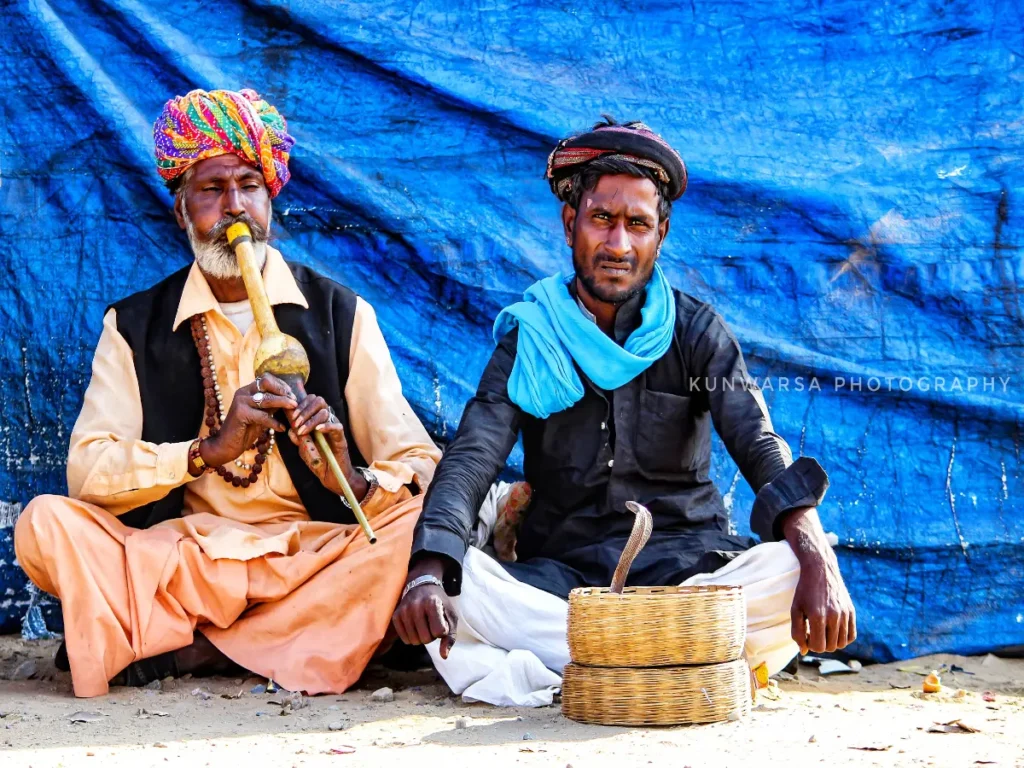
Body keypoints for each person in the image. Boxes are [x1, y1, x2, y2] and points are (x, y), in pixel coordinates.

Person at [392, 118, 856, 706]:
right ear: (570, 224)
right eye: (602, 220)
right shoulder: (531, 336)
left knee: (788, 568)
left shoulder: (697, 333)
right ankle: (673, 659)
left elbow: (759, 443)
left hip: (689, 574)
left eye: (637, 224)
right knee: (460, 585)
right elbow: (474, 453)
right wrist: (430, 570)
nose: (618, 245)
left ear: (660, 233)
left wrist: (817, 559)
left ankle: (606, 659)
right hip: (564, 584)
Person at [15, 88, 441, 698]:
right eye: (212, 190)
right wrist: (205, 451)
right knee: (44, 523)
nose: (233, 208)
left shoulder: (341, 314)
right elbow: (87, 470)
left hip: (309, 558)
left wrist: (347, 473)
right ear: (181, 210)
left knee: (419, 522)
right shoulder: (134, 326)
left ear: (272, 200)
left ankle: (198, 648)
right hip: (184, 561)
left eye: (249, 186)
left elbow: (418, 463)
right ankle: (284, 642)